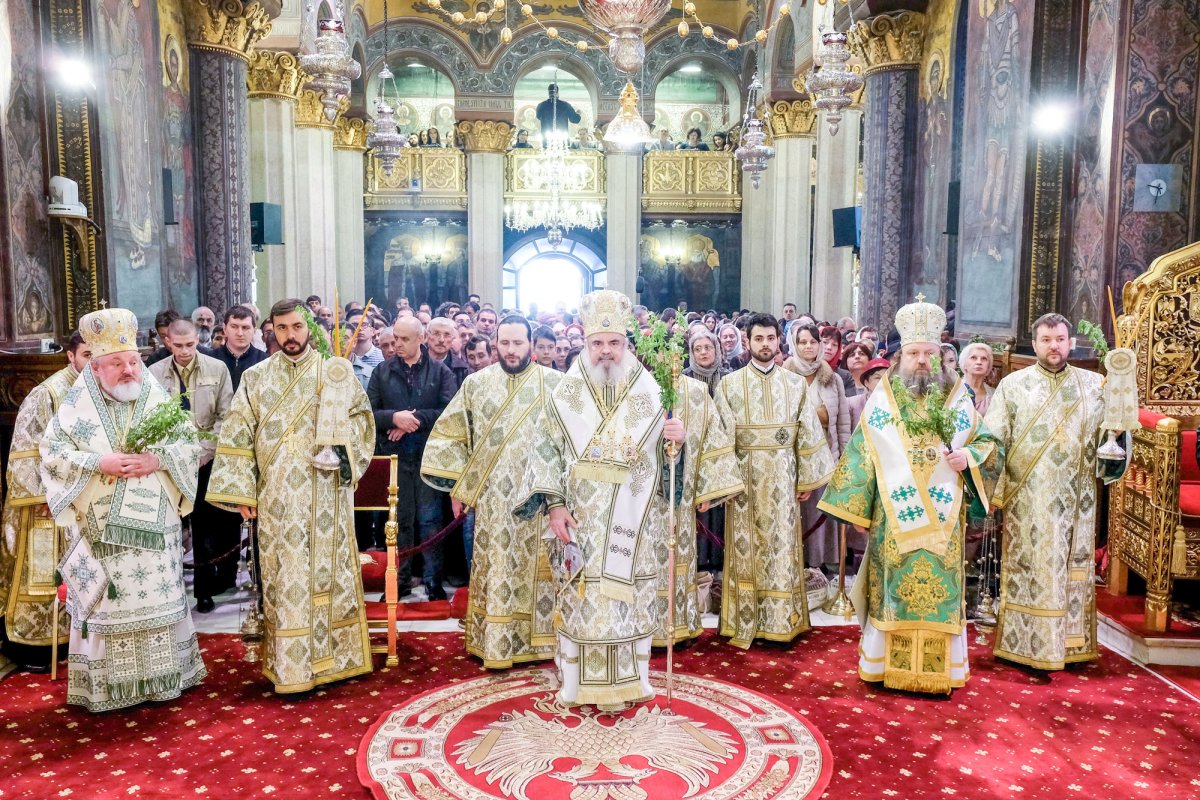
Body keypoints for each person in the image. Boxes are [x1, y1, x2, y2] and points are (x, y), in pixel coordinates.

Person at [819, 296, 1002, 694]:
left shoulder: (957, 401)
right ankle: (887, 666)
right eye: (915, 353)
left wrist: (967, 457)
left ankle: (942, 672)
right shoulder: (883, 400)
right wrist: (852, 504)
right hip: (896, 517)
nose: (922, 361)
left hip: (944, 516)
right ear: (902, 356)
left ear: (941, 357)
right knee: (893, 590)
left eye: (929, 354)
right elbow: (864, 449)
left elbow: (989, 446)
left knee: (940, 589)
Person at [514, 290, 684, 709]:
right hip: (580, 516)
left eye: (614, 343)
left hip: (635, 514)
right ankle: (573, 682)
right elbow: (545, 449)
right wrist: (554, 505)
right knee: (580, 598)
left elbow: (668, 462)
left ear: (626, 343)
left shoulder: (652, 390)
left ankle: (638, 679)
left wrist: (677, 442)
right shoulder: (564, 394)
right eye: (597, 343)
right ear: (585, 344)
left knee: (635, 598)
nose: (606, 352)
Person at [41, 307, 206, 711]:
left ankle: (167, 679)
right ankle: (109, 689)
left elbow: (188, 445)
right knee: (108, 607)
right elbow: (52, 456)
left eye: (133, 361)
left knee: (160, 599)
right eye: (116, 363)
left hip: (154, 528)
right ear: (95, 368)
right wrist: (100, 462)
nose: (128, 370)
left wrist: (158, 460)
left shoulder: (155, 397)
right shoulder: (74, 408)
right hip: (99, 532)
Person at [207, 298, 375, 693]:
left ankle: (336, 659)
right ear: (272, 330)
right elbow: (237, 434)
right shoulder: (256, 378)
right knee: (286, 579)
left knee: (328, 575)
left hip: (326, 495)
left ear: (309, 327)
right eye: (282, 329)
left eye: (297, 327)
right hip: (277, 499)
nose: (290, 336)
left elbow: (362, 423)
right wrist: (240, 491)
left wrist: (342, 450)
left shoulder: (335, 373)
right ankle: (291, 666)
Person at [984, 313, 1127, 671]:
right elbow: (993, 441)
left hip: (1077, 501)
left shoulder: (1095, 385)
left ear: (1071, 342)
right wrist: (990, 491)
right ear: (1034, 344)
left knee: (1070, 569)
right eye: (1046, 339)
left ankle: (1070, 645)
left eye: (1060, 339)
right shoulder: (1013, 385)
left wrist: (1121, 421)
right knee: (1033, 570)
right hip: (1028, 500)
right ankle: (1027, 645)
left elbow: (1115, 437)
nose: (1054, 346)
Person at [421, 315, 561, 667]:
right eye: (505, 343)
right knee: (497, 566)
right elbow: (451, 436)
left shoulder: (557, 384)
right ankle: (496, 643)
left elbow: (572, 442)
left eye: (518, 343)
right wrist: (458, 487)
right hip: (492, 498)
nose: (511, 350)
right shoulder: (476, 385)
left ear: (531, 344)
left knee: (538, 568)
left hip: (540, 497)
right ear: (494, 343)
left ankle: (542, 642)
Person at [716, 314, 834, 648]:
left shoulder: (794, 384)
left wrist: (806, 481)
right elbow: (721, 438)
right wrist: (724, 483)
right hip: (744, 482)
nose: (765, 344)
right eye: (758, 339)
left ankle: (781, 623)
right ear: (748, 341)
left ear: (777, 341)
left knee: (782, 550)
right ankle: (746, 622)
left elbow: (808, 433)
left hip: (784, 480)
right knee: (745, 551)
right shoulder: (729, 385)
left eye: (770, 338)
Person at [1, 333, 91, 671]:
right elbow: (24, 450)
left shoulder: (96, 390)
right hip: (44, 505)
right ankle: (34, 647)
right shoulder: (47, 394)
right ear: (71, 355)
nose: (93, 362)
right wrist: (45, 496)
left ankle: (78, 640)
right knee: (43, 573)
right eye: (87, 354)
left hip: (81, 500)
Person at [367, 317, 457, 600]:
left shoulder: (441, 373)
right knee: (398, 522)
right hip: (394, 459)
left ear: (421, 339)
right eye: (395, 339)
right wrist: (394, 417)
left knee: (431, 521)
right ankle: (400, 581)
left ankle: (433, 582)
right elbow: (367, 412)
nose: (397, 345)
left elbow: (448, 411)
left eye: (404, 339)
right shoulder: (382, 372)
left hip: (427, 457)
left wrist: (412, 419)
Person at [149, 319, 236, 613]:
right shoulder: (154, 373)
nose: (185, 351)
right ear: (168, 343)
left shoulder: (217, 368)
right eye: (178, 345)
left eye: (190, 345)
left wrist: (205, 453)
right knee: (171, 526)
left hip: (206, 460)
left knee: (204, 528)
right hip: (169, 462)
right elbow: (150, 418)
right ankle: (169, 590)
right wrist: (168, 455)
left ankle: (203, 592)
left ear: (198, 340)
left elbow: (226, 415)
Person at [784, 323, 851, 575]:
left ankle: (823, 566)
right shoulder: (785, 377)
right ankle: (796, 564)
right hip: (795, 458)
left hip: (828, 455)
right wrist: (815, 415)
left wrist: (843, 457)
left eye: (813, 341)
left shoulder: (832, 378)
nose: (808, 346)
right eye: (802, 342)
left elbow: (842, 421)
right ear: (794, 345)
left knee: (822, 515)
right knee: (800, 514)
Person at [680, 327, 735, 575]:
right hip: (694, 447)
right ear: (691, 353)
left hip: (724, 447)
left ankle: (719, 559)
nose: (703, 352)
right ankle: (700, 560)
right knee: (699, 504)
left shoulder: (728, 376)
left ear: (717, 349)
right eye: (698, 349)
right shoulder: (684, 377)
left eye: (708, 347)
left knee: (720, 504)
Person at [209, 305, 268, 393]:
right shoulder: (210, 360)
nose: (240, 333)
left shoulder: (265, 361)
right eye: (234, 327)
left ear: (254, 331)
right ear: (225, 329)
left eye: (245, 328)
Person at [426, 317, 469, 388]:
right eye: (436, 334)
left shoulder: (462, 370)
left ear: (452, 339)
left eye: (447, 335)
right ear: (427, 336)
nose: (441, 340)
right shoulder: (415, 363)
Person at [960, 342, 995, 414]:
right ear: (964, 364)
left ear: (988, 366)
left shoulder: (994, 395)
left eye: (984, 358)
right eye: (973, 358)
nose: (979, 362)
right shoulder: (953, 389)